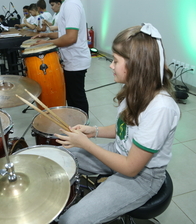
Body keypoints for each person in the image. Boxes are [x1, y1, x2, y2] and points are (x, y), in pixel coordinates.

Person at [54, 23, 181, 224]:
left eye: (115, 61)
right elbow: (126, 129)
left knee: (70, 220)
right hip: (119, 152)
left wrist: (86, 144)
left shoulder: (161, 108)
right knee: (59, 158)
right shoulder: (134, 88)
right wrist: (92, 131)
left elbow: (131, 168)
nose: (110, 65)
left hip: (142, 177)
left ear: (136, 66)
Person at [32, 0, 91, 115]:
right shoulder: (66, 5)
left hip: (76, 59)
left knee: (77, 97)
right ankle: (76, 123)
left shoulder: (71, 5)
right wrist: (47, 35)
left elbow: (70, 38)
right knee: (71, 96)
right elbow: (65, 33)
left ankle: (83, 126)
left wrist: (48, 43)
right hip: (71, 59)